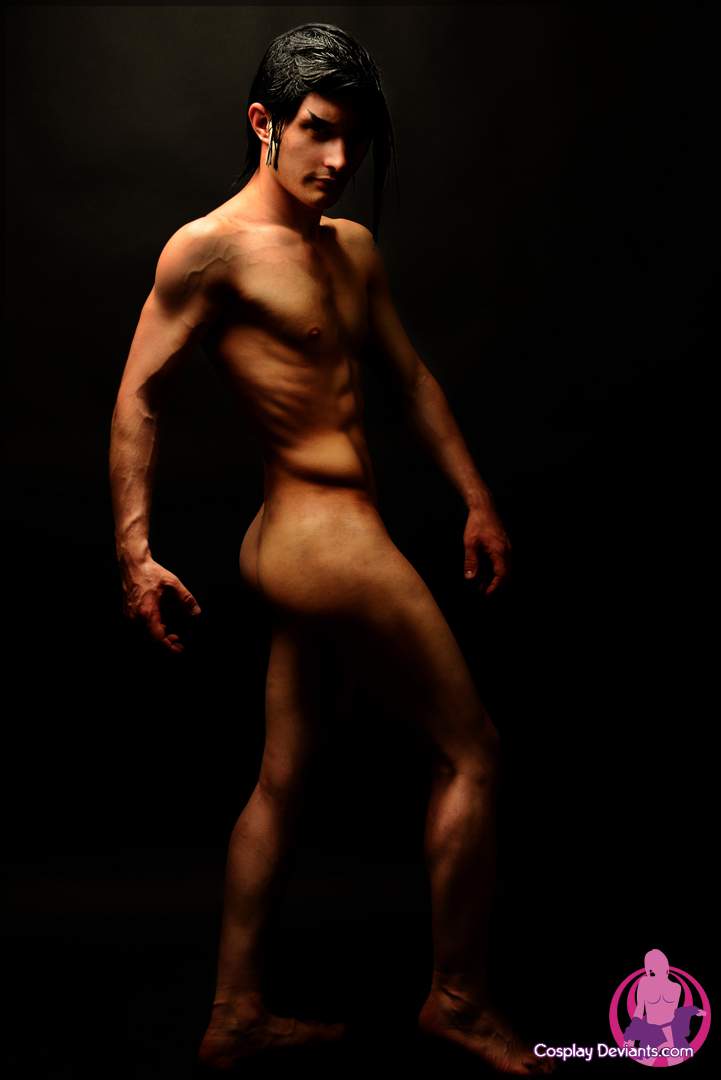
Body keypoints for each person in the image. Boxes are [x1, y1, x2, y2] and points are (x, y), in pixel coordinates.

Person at [109, 22, 554, 1076]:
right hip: (319, 536)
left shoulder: (349, 246)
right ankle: (457, 1000)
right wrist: (135, 555)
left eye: (352, 137)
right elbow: (139, 399)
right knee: (473, 752)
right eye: (316, 130)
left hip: (320, 534)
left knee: (284, 775)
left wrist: (475, 500)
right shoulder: (208, 250)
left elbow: (408, 378)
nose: (337, 159)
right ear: (263, 122)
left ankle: (235, 1013)